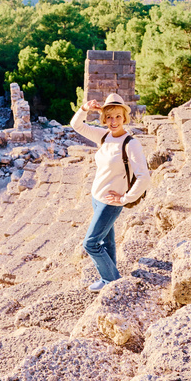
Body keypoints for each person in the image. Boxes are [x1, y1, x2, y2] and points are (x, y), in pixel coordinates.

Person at [70, 93, 150, 292]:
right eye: (109, 117)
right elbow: (76, 125)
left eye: (118, 116)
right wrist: (85, 109)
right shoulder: (104, 136)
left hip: (111, 202)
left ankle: (113, 281)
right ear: (104, 118)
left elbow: (144, 177)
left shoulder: (131, 144)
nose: (114, 122)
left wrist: (125, 198)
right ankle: (108, 276)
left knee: (90, 244)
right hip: (97, 197)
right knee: (107, 241)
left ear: (124, 118)